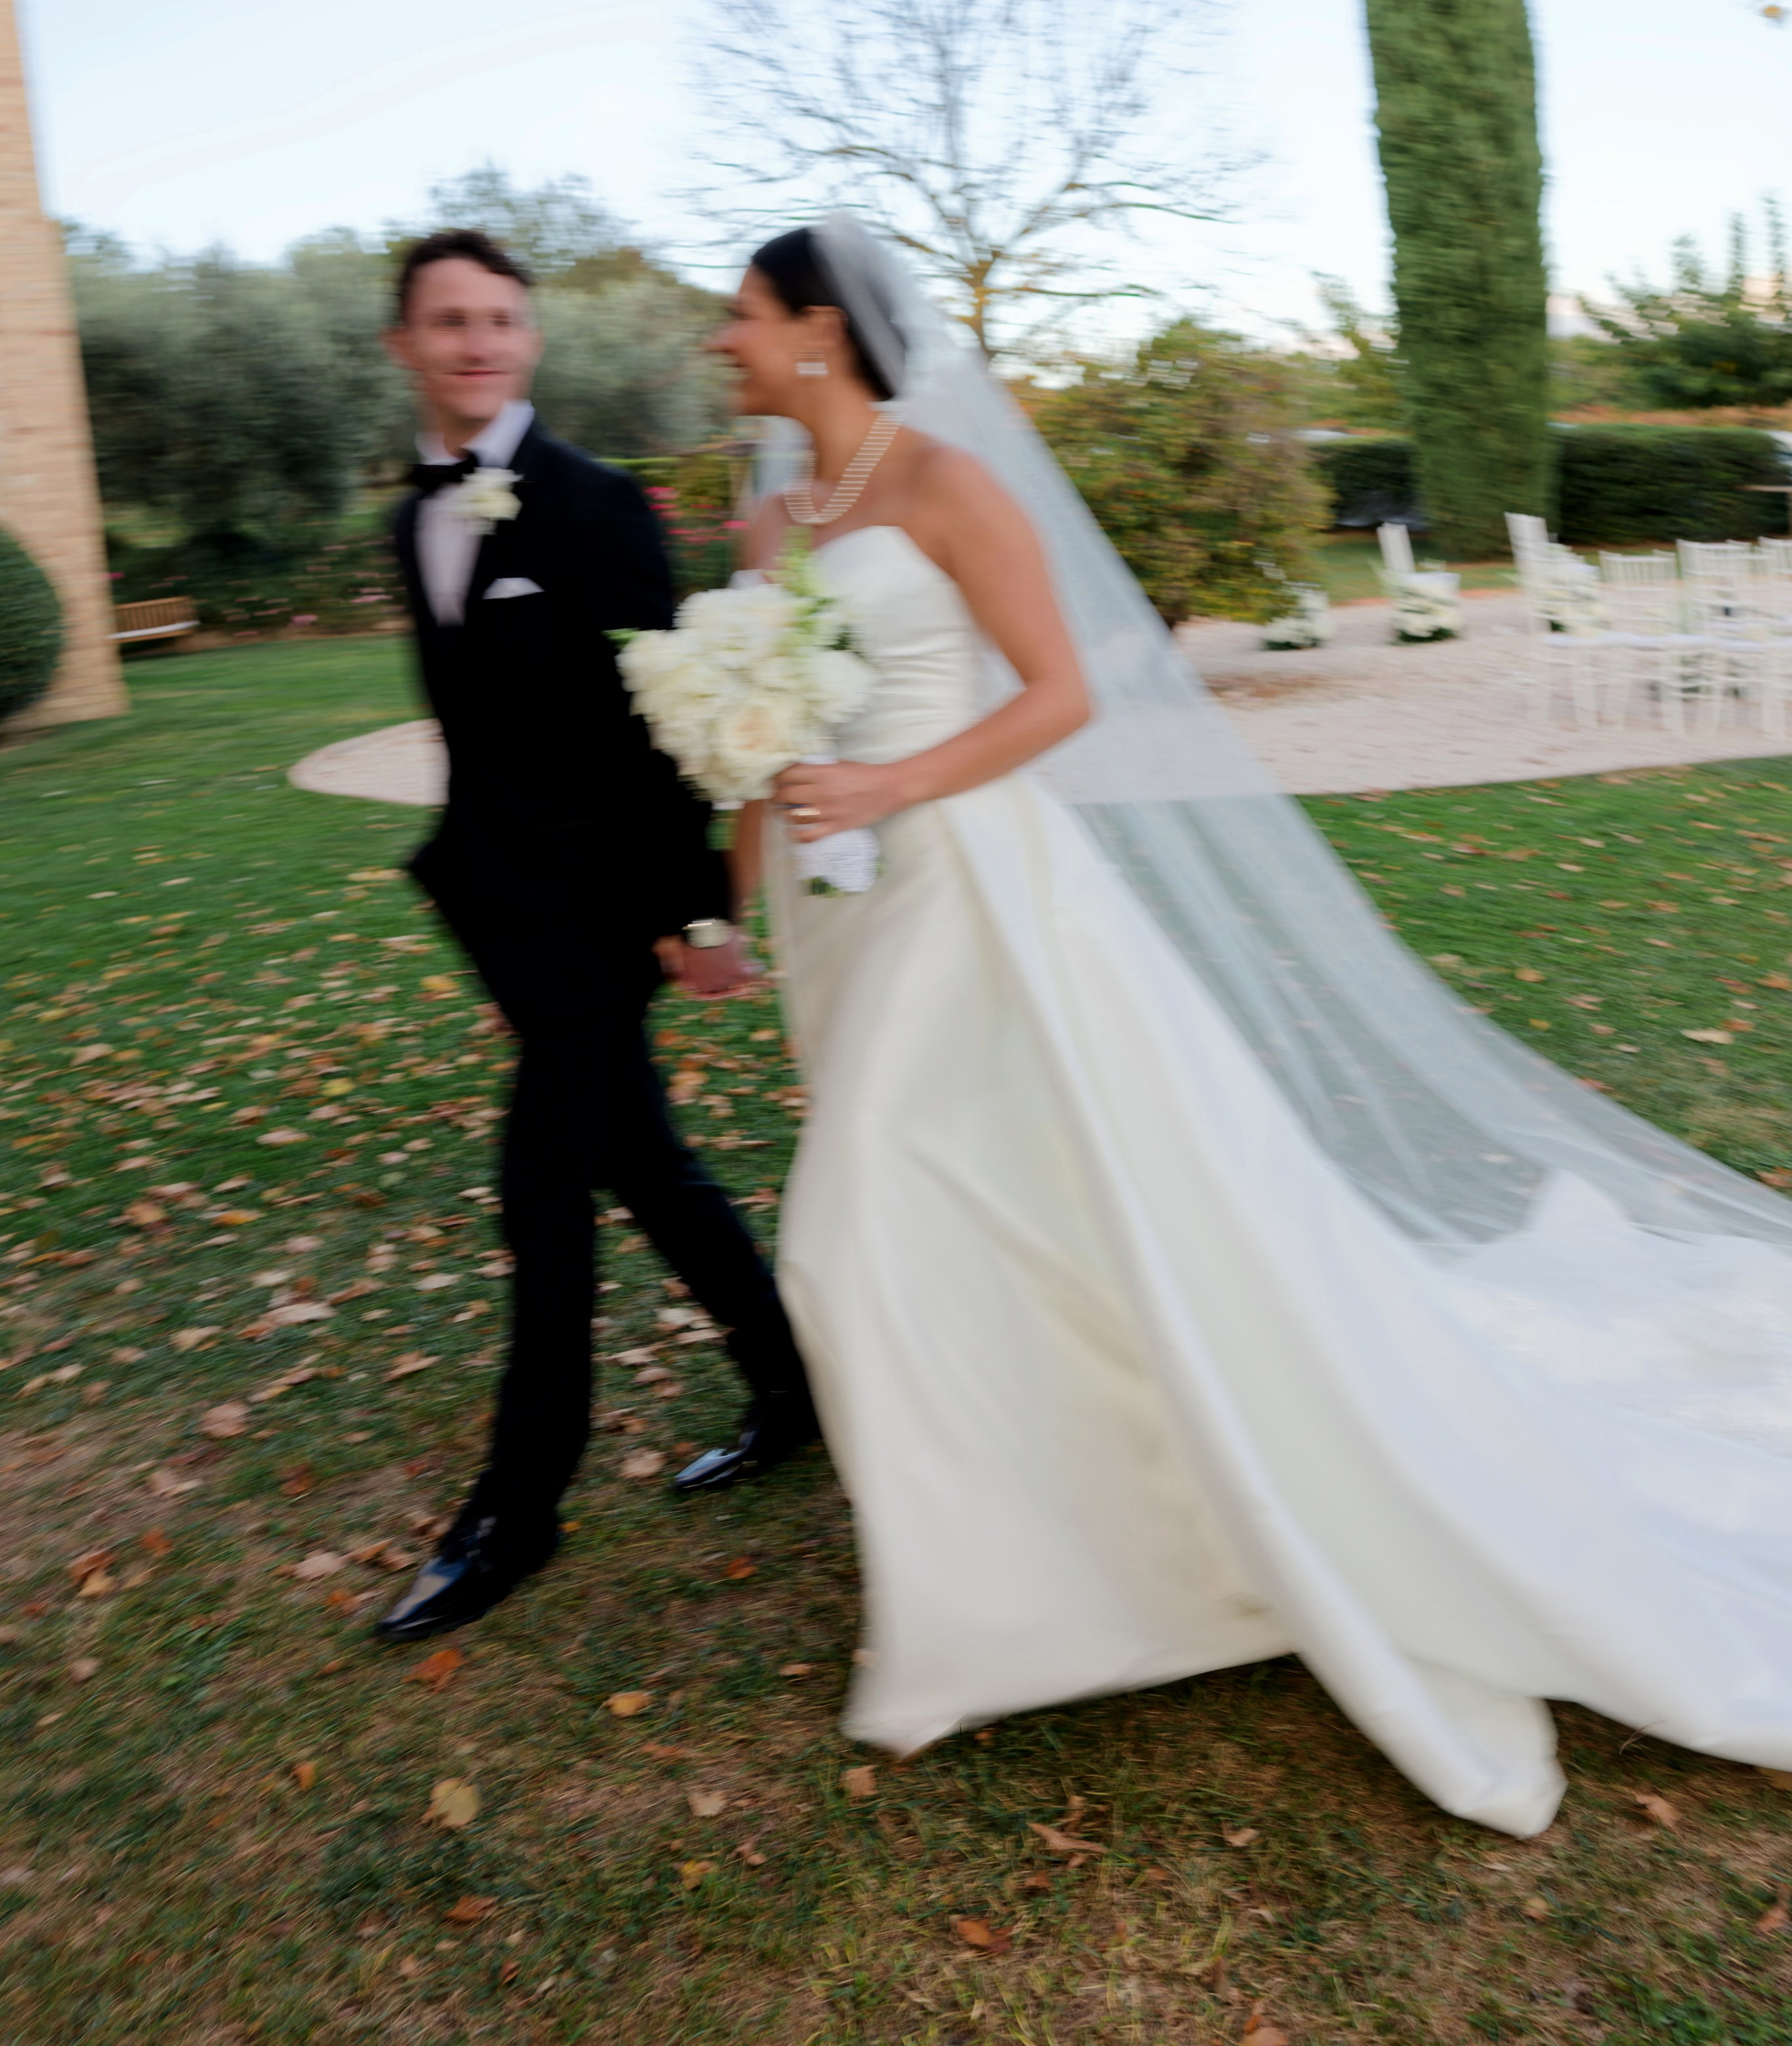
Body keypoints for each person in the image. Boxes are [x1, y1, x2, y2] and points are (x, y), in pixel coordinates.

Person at [714, 217, 1792, 1839]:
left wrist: (890, 783)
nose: (716, 341)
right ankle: (1047, 1531)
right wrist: (733, 899)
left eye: (738, 315)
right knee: (981, 1221)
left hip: (975, 893)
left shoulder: (943, 485)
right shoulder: (765, 524)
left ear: (815, 331)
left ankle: (984, 1613)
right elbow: (760, 733)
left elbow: (1059, 693)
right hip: (841, 911)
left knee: (850, 1235)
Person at [372, 227, 817, 1646]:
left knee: (542, 1196)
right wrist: (500, 939)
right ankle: (792, 1383)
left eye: (499, 317)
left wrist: (695, 914)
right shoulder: (413, 519)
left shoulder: (596, 507)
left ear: (532, 339)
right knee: (648, 1167)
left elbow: (664, 731)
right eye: (448, 321)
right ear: (406, 347)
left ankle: (520, 1506)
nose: (477, 341)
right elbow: (480, 746)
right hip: (515, 919)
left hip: (608, 919)